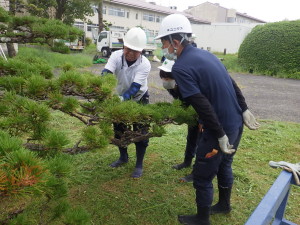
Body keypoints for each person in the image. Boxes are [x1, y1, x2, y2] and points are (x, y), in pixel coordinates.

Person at [155, 14, 259, 225]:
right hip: (236, 123)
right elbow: (232, 84)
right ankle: (223, 205)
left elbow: (201, 103)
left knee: (202, 176)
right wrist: (244, 108)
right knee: (224, 165)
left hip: (218, 128)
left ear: (176, 41)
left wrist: (219, 134)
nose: (163, 46)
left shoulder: (181, 67)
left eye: (164, 42)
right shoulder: (207, 55)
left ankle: (202, 219)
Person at [101, 27, 151, 178]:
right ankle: (123, 157)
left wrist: (122, 100)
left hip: (139, 99)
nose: (130, 53)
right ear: (124, 46)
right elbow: (106, 73)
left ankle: (139, 164)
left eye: (135, 51)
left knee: (141, 132)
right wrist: (101, 89)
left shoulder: (145, 64)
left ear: (141, 51)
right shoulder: (116, 56)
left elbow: (135, 88)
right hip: (119, 96)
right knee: (119, 129)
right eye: (128, 49)